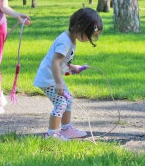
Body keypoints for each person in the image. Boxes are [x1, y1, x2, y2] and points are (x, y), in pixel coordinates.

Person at [33, 8, 103, 140]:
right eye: (91, 35)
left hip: (54, 77)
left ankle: (66, 129)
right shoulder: (65, 42)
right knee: (61, 103)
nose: (91, 39)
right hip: (49, 78)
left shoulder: (70, 39)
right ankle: (52, 134)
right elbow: (54, 62)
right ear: (80, 27)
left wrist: (72, 67)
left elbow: (62, 62)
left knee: (68, 99)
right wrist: (58, 83)